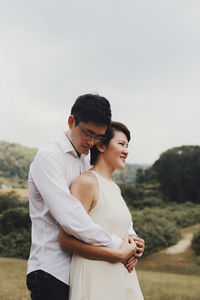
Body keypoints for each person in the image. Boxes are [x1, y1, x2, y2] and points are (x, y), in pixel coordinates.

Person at [26, 94, 144, 300]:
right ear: (72, 121)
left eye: (98, 136)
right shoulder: (50, 157)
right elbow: (72, 218)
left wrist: (131, 238)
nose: (90, 141)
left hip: (79, 270)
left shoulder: (84, 159)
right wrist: (118, 245)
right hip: (50, 270)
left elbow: (102, 211)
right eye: (86, 133)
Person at [59, 121, 144, 300]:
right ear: (101, 145)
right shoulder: (87, 182)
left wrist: (135, 246)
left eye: (127, 146)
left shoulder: (114, 188)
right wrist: (117, 254)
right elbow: (66, 240)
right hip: (95, 276)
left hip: (120, 276)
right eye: (121, 144)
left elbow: (118, 230)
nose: (126, 151)